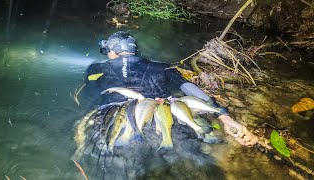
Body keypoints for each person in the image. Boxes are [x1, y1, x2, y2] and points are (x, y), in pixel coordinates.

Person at [84, 31, 259, 147]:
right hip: (165, 118)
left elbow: (90, 97)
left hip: (114, 121)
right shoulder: (162, 67)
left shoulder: (95, 69)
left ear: (113, 51)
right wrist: (225, 117)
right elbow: (189, 87)